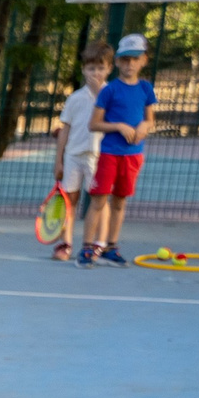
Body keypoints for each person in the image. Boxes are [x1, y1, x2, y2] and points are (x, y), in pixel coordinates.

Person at [83, 34, 157, 267]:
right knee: (98, 201)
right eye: (125, 60)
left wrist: (145, 126)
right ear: (116, 62)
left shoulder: (146, 88)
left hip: (133, 155)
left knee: (120, 202)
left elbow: (150, 119)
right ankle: (87, 248)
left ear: (144, 60)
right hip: (109, 154)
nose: (129, 64)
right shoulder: (110, 90)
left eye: (135, 59)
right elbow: (94, 124)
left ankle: (111, 247)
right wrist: (118, 126)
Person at [51, 43, 111, 262]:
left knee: (100, 201)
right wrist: (59, 161)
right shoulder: (75, 98)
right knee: (69, 200)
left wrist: (99, 95)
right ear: (84, 70)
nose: (95, 73)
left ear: (109, 69)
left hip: (99, 157)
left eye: (100, 68)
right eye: (91, 68)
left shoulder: (111, 96)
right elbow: (65, 130)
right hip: (74, 156)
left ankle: (99, 244)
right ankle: (65, 243)